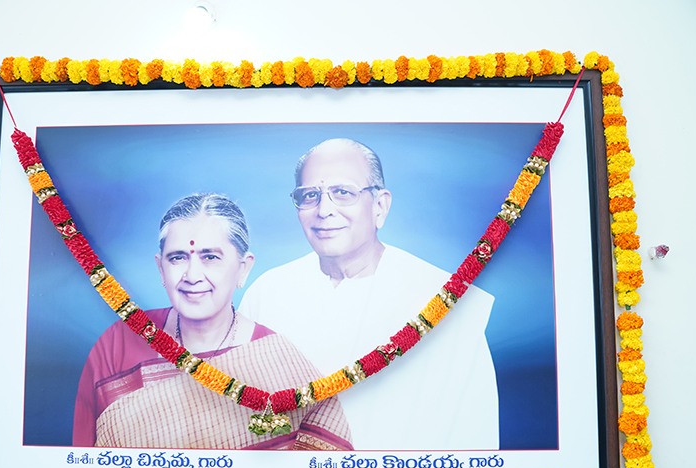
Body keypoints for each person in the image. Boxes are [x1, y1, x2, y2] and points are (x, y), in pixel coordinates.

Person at [240, 139, 499, 450]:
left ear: (380, 206)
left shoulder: (441, 298)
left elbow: (474, 431)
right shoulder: (268, 292)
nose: (324, 210)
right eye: (309, 195)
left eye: (343, 192)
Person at [73, 193, 352, 451]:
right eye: (178, 258)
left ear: (243, 269)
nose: (193, 276)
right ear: (161, 268)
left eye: (210, 257)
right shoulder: (118, 345)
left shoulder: (282, 365)